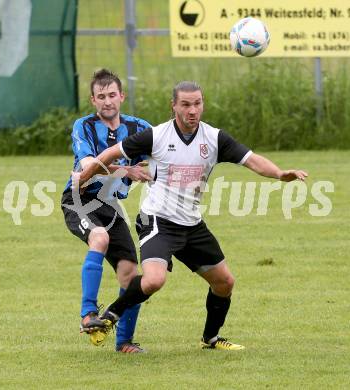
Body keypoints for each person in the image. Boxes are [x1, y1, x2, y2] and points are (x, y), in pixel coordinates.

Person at [73, 81, 308, 351]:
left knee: (224, 283)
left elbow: (252, 159)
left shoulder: (215, 138)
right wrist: (85, 176)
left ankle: (210, 339)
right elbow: (111, 153)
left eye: (197, 103)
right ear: (173, 106)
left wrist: (279, 174)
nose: (192, 110)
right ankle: (110, 315)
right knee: (154, 280)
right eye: (185, 104)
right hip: (157, 220)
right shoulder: (157, 136)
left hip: (192, 224)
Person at [61, 69, 152, 353]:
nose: (107, 101)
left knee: (131, 274)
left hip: (110, 205)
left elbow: (164, 150)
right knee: (99, 238)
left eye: (112, 94)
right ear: (93, 100)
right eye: (101, 96)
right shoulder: (84, 126)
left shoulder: (139, 127)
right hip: (79, 197)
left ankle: (124, 341)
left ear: (122, 96)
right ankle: (88, 314)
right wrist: (127, 169)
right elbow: (89, 165)